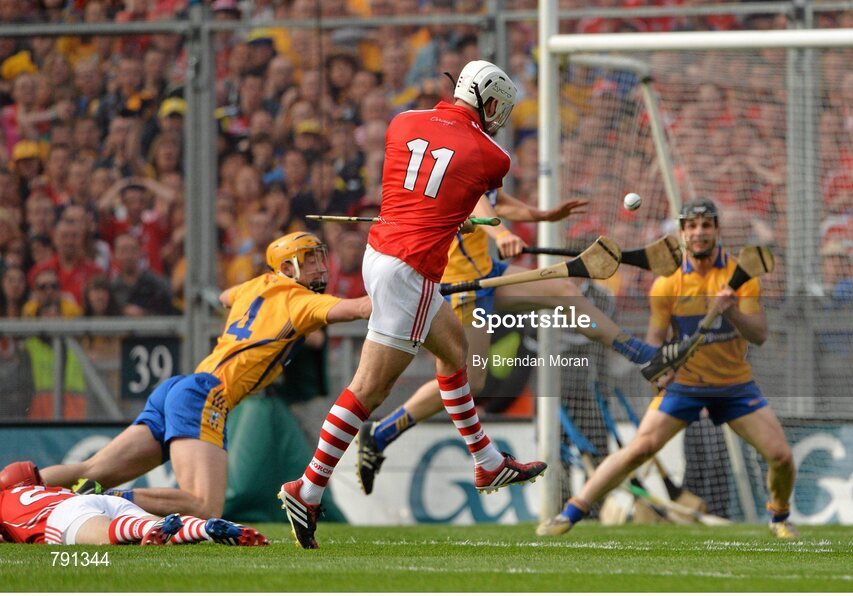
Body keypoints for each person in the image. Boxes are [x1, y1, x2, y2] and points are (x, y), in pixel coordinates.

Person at [278, 60, 546, 550]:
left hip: (377, 253)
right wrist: (458, 216)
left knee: (454, 353)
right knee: (369, 390)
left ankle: (486, 463)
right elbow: (472, 192)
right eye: (497, 108)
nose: (498, 117)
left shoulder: (401, 122)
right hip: (413, 267)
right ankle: (307, 488)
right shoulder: (494, 156)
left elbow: (427, 187)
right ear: (486, 100)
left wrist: (450, 215)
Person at [353, 188, 671, 495]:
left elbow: (497, 200)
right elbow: (477, 199)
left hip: (489, 271)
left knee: (565, 293)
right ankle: (382, 433)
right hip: (462, 282)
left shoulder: (485, 152)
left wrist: (542, 215)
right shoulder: (467, 151)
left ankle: (643, 355)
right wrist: (501, 235)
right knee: (468, 382)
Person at [36, 231, 371, 520]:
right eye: (309, 259)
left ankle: (18, 488)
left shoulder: (256, 284)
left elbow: (225, 297)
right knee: (206, 506)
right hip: (207, 395)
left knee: (89, 470)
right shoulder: (299, 300)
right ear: (287, 268)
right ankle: (107, 502)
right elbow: (358, 309)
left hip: (179, 388)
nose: (319, 266)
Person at [536, 199, 799, 540]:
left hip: (734, 385)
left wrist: (730, 311)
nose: (699, 232)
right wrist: (660, 374)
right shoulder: (667, 284)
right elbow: (655, 341)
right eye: (691, 226)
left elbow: (759, 334)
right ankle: (570, 514)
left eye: (706, 225)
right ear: (682, 233)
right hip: (685, 384)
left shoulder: (739, 276)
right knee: (639, 449)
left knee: (780, 456)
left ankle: (779, 516)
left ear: (716, 230)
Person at [0, 462, 267, 546]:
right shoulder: (49, 490)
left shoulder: (4, 500)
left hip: (61, 516)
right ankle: (207, 529)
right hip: (95, 499)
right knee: (164, 527)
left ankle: (143, 531)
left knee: (109, 534)